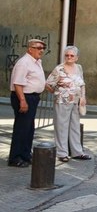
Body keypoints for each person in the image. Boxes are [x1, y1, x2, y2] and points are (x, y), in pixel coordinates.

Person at [46, 45, 91, 162]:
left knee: (75, 126)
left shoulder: (79, 68)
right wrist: (57, 91)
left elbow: (82, 84)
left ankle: (77, 152)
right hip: (62, 101)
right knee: (61, 126)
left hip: (76, 101)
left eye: (72, 55)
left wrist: (83, 97)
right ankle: (62, 153)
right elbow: (48, 83)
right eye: (67, 55)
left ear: (76, 57)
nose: (69, 57)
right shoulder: (59, 69)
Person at [8, 39, 47, 167]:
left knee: (29, 128)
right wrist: (23, 101)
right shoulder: (24, 63)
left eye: (43, 48)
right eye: (38, 48)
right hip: (24, 97)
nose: (41, 50)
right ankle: (15, 157)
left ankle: (25, 154)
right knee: (21, 128)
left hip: (33, 97)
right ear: (30, 49)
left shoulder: (37, 62)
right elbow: (17, 83)